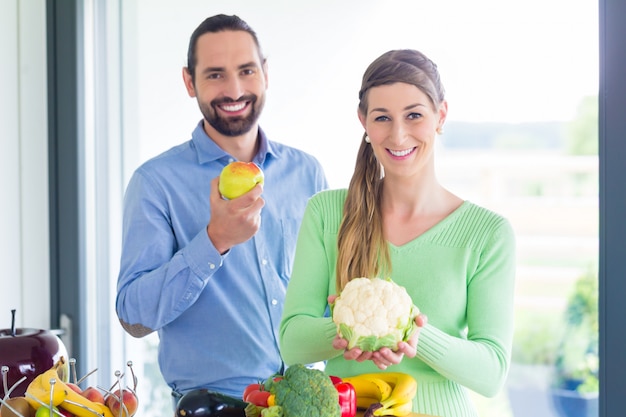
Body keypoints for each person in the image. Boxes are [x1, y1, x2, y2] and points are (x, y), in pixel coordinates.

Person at [279, 49, 516, 417]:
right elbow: (292, 344)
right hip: (347, 409)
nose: (398, 134)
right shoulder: (327, 214)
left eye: (414, 115)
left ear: (441, 115)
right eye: (382, 118)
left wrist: (410, 333)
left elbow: (491, 372)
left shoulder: (487, 234)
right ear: (363, 121)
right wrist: (346, 331)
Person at [115, 14, 328, 404]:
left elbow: (330, 290)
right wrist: (214, 241)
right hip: (211, 407)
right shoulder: (156, 183)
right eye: (215, 75)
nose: (234, 89)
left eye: (246, 70)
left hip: (309, 403)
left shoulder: (307, 173)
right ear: (189, 81)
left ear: (265, 72)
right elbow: (133, 317)